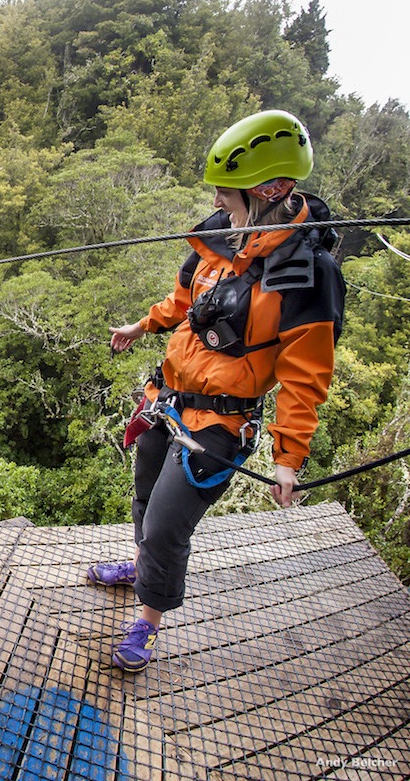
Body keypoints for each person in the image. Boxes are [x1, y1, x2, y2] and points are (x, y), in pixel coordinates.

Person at [90, 110, 346, 673]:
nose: (218, 202)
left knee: (166, 525)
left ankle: (148, 623)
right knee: (143, 498)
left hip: (221, 423)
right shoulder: (220, 236)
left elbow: (306, 376)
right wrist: (141, 327)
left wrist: (288, 459)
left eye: (228, 194)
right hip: (167, 400)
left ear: (271, 189)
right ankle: (140, 566)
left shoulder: (306, 272)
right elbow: (185, 300)